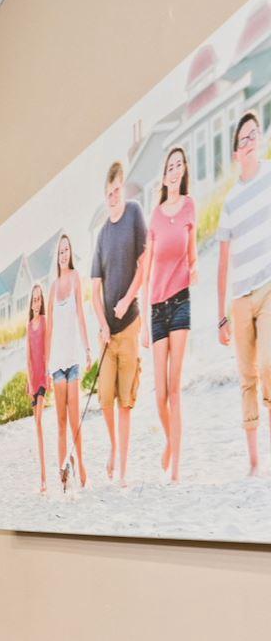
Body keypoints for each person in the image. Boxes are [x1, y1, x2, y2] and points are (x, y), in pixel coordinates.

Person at [217, 110, 271, 475]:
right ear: (237, 153)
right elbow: (222, 263)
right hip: (239, 299)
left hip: (268, 289)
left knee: (268, 365)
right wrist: (221, 315)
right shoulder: (230, 202)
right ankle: (254, 463)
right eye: (243, 139)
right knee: (247, 378)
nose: (250, 141)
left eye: (254, 134)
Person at [89, 160, 149, 485]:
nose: (113, 197)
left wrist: (127, 299)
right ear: (104, 195)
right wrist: (101, 323)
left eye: (117, 191)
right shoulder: (102, 235)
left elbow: (144, 264)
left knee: (126, 402)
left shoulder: (135, 214)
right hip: (107, 335)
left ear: (122, 188)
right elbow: (94, 290)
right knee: (105, 401)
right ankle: (114, 448)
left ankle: (123, 471)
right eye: (108, 193)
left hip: (130, 326)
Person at [144, 145, 196, 483]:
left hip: (180, 302)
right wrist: (143, 328)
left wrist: (194, 270)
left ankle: (176, 470)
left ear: (183, 171)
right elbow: (149, 269)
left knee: (175, 390)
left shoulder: (190, 206)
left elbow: (193, 255)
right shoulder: (156, 216)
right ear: (164, 176)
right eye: (170, 166)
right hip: (156, 308)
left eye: (179, 165)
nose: (174, 170)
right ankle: (170, 442)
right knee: (159, 395)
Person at [47, 233, 93, 489]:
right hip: (56, 365)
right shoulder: (53, 287)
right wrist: (45, 364)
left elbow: (82, 317)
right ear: (57, 256)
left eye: (67, 250)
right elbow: (50, 328)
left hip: (73, 360)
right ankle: (63, 470)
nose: (64, 255)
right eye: (60, 251)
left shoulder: (76, 279)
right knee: (61, 422)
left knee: (75, 419)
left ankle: (81, 464)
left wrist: (87, 350)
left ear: (70, 253)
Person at [26, 284, 51, 493]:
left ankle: (44, 479)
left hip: (42, 378)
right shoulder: (29, 325)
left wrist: (48, 373)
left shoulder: (44, 321)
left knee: (40, 423)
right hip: (32, 380)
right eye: (33, 299)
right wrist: (28, 380)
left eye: (38, 299)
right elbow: (27, 357)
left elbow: (47, 349)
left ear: (42, 302)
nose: (36, 303)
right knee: (37, 428)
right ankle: (42, 476)